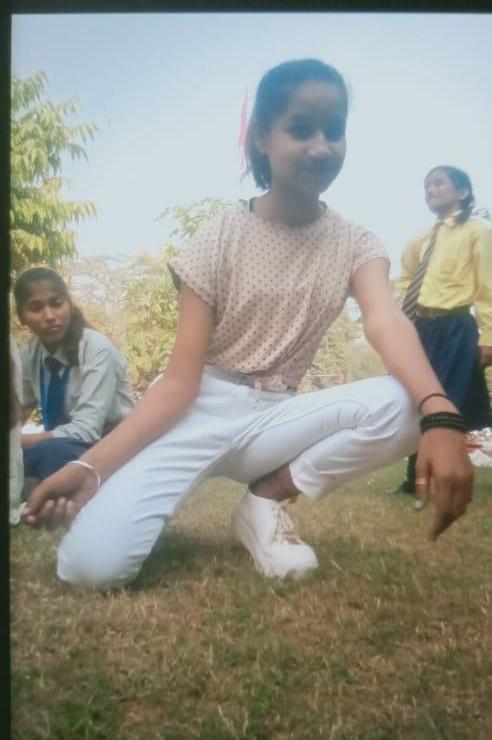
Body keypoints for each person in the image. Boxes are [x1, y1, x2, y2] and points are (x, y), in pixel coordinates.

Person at [22, 59, 473, 589]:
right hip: (199, 409)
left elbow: (385, 319)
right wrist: (90, 467)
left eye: (334, 130)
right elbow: (179, 382)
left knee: (410, 401)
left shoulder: (357, 243)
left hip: (277, 416)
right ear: (262, 137)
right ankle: (127, 506)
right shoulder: (220, 235)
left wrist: (440, 413)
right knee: (89, 568)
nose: (321, 146)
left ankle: (266, 498)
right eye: (301, 129)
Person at [394, 166, 492, 495]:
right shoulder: (420, 240)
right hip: (420, 327)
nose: (430, 190)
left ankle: (423, 478)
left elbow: (487, 288)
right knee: (414, 398)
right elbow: (406, 277)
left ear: (462, 192)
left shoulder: (478, 232)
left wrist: (489, 338)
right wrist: (403, 315)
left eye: (438, 183)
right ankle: (415, 476)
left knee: (445, 400)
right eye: (427, 186)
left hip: (455, 327)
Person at [14, 267, 134, 484]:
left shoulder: (97, 348)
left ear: (69, 305)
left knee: (50, 454)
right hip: (63, 446)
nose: (49, 316)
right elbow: (15, 412)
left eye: (56, 303)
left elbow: (87, 431)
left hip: (112, 446)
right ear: (22, 317)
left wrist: (16, 442)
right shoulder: (29, 354)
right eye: (36, 308)